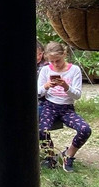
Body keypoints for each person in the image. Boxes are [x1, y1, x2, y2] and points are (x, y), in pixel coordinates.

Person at [37, 41, 92, 172]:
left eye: (58, 60)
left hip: (67, 107)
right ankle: (50, 157)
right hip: (50, 106)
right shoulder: (45, 70)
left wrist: (66, 87)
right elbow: (38, 92)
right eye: (52, 61)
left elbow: (77, 95)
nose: (55, 64)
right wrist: (46, 86)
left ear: (65, 54)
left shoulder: (74, 70)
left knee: (85, 130)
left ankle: (68, 155)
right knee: (41, 131)